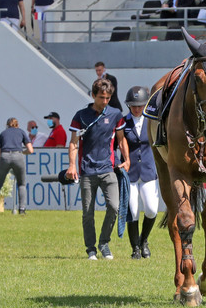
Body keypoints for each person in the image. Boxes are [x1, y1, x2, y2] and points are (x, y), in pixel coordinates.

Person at [65, 78, 130, 260]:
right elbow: (73, 143)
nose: (105, 101)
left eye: (108, 97)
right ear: (93, 95)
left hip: (108, 169)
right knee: (88, 213)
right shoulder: (80, 116)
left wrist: (127, 159)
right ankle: (91, 249)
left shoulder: (116, 114)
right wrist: (72, 166)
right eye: (101, 97)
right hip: (87, 171)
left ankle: (104, 243)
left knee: (114, 207)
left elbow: (121, 139)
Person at [123, 86, 159, 258]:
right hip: (130, 173)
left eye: (140, 105)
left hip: (148, 170)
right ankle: (135, 248)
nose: (136, 109)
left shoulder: (152, 121)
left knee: (152, 209)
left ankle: (144, 240)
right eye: (133, 106)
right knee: (133, 210)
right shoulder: (123, 123)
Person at [0, 118, 34, 215]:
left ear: (7, 124)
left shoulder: (3, 134)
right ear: (17, 124)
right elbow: (30, 150)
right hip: (18, 156)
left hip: (5, 156)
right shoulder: (21, 132)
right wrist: (22, 153)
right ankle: (22, 209)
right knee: (21, 184)